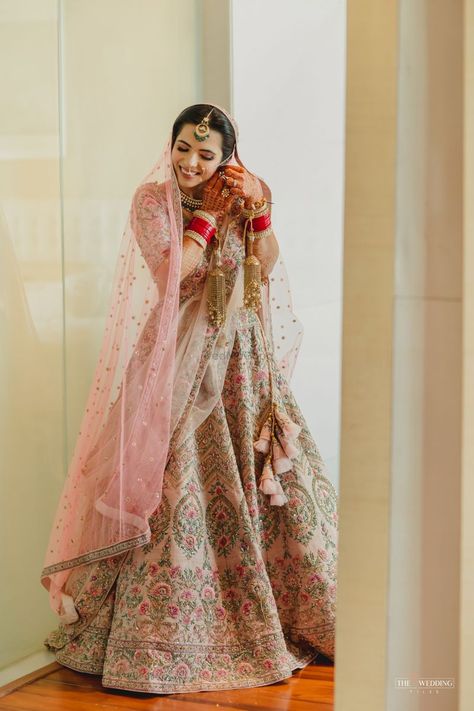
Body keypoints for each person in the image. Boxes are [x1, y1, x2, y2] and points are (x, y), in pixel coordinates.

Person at [41, 102, 339, 694]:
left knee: (265, 473)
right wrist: (208, 221)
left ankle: (288, 611)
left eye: (207, 153)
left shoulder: (243, 190)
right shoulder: (153, 202)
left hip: (244, 355)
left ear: (226, 155)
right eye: (183, 148)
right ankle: (162, 631)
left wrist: (258, 212)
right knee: (171, 474)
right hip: (178, 352)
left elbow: (265, 263)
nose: (192, 162)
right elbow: (173, 273)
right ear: (170, 144)